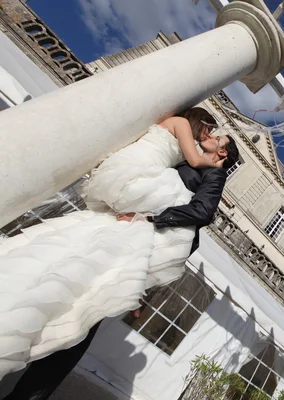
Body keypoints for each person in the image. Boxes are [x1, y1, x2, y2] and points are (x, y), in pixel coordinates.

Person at [0, 107, 239, 394]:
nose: (210, 135)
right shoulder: (187, 158)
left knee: (84, 315)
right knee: (62, 284)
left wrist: (150, 219)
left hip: (135, 240)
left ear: (222, 154)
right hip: (117, 229)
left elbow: (201, 212)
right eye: (209, 130)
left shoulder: (213, 174)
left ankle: (30, 392)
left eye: (216, 137)